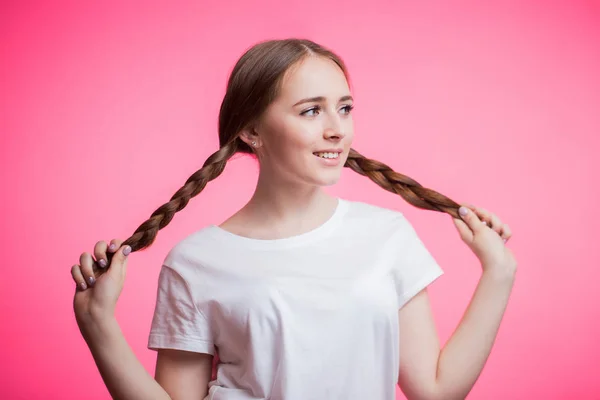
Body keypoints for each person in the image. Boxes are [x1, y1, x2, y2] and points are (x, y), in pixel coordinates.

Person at [70, 38, 516, 400]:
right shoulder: (195, 262)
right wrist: (99, 325)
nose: (337, 129)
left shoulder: (387, 236)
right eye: (311, 110)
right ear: (251, 131)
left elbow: (434, 392)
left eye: (344, 108)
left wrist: (499, 272)